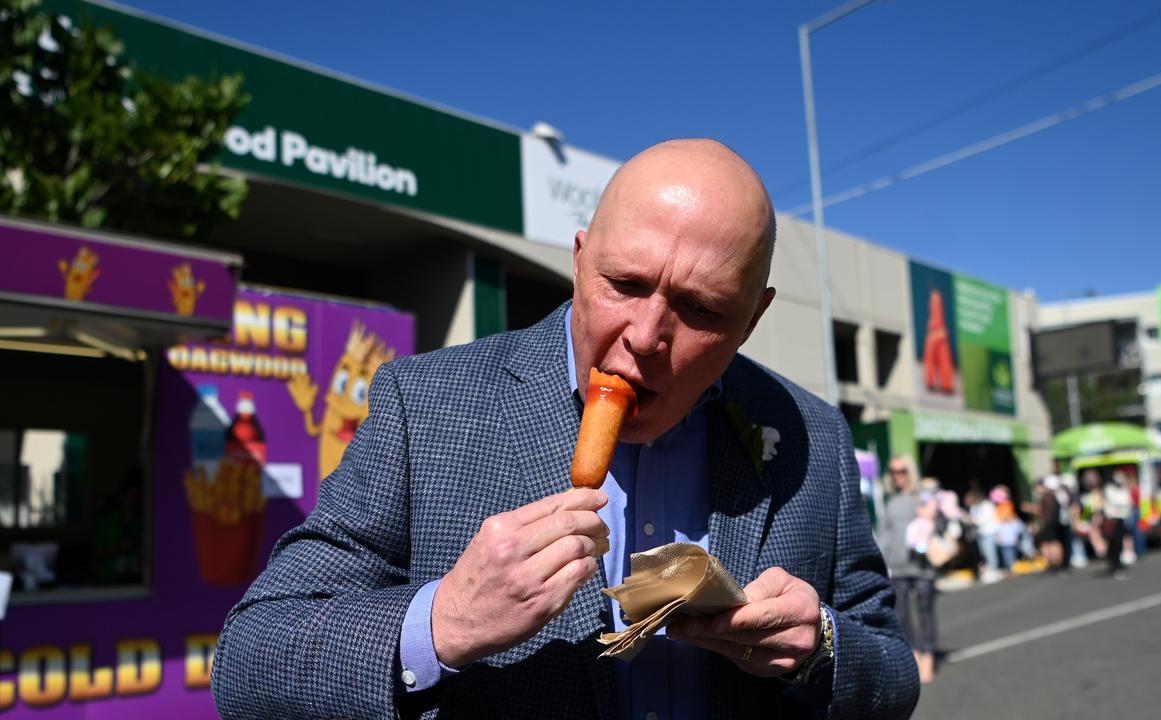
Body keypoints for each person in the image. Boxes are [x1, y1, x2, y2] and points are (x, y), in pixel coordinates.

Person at [211, 139, 919, 720]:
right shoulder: (423, 407)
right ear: (579, 261)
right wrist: (443, 623)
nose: (645, 337)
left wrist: (821, 644)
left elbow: (892, 671)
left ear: (753, 318)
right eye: (625, 284)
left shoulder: (809, 438)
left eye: (701, 310)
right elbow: (247, 660)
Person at [878, 456, 939, 685]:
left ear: (910, 471)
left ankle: (928, 655)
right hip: (897, 567)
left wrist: (932, 516)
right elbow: (884, 534)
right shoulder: (890, 501)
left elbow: (937, 523)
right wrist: (882, 562)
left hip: (922, 565)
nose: (897, 475)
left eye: (902, 470)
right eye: (893, 471)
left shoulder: (922, 497)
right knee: (902, 614)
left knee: (925, 612)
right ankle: (913, 653)